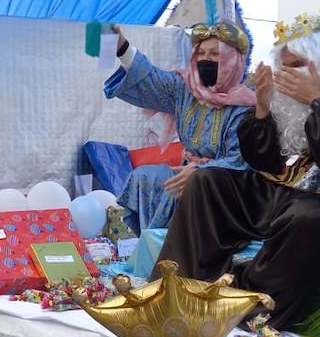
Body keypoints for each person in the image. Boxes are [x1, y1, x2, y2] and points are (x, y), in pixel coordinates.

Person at [158, 9, 320, 327]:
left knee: (306, 215)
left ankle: (253, 306)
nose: (288, 76)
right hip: (284, 185)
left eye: (297, 67)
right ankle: (182, 290)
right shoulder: (286, 95)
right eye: (284, 67)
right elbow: (264, 160)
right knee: (206, 182)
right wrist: (262, 110)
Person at [103, 20, 255, 231]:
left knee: (186, 189)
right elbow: (151, 79)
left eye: (214, 54)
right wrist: (121, 46)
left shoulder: (247, 105)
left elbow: (241, 161)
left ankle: (179, 254)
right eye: (200, 53)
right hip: (186, 172)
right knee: (144, 177)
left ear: (233, 59)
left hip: (226, 183)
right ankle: (153, 245)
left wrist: (201, 172)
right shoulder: (186, 88)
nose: (205, 58)